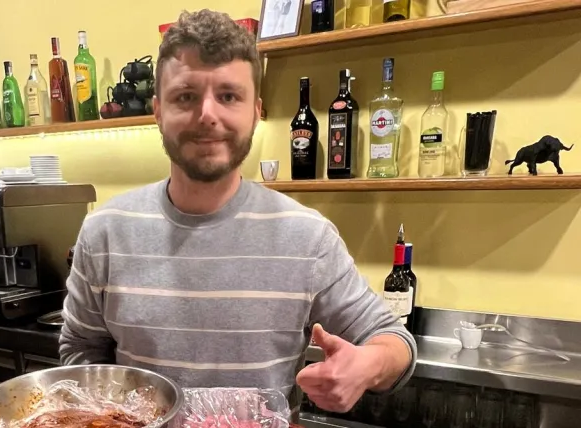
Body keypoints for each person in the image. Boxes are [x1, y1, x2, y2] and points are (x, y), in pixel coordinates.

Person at [59, 9, 417, 414]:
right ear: (158, 111)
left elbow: (393, 341)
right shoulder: (104, 232)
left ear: (256, 112)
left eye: (228, 96)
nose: (207, 114)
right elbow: (80, 349)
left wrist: (366, 366)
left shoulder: (308, 238)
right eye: (185, 96)